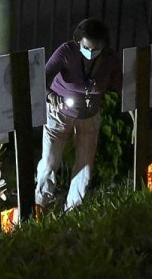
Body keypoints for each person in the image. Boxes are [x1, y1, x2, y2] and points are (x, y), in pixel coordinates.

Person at [35, 18, 122, 211]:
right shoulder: (66, 52)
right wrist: (50, 96)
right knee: (49, 163)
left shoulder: (110, 59)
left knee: (85, 168)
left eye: (96, 48)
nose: (91, 54)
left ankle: (73, 210)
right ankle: (39, 206)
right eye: (86, 48)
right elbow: (42, 78)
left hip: (89, 117)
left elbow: (121, 85)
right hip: (59, 115)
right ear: (78, 42)